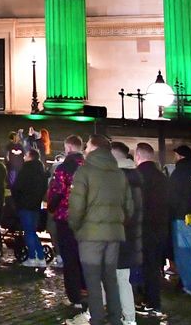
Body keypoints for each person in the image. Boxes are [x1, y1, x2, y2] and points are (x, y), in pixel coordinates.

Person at [66, 133, 131, 325]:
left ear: (94, 148)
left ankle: (97, 319)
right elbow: (129, 208)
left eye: (87, 146)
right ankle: (115, 319)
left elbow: (76, 207)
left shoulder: (84, 172)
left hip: (90, 235)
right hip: (114, 235)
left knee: (93, 281)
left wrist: (77, 228)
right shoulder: (119, 173)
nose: (85, 150)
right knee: (110, 278)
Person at [47, 134, 87, 309]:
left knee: (70, 258)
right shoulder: (89, 166)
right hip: (87, 218)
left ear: (69, 147)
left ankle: (74, 295)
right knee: (85, 256)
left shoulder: (64, 168)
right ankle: (87, 289)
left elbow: (56, 192)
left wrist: (51, 207)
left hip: (66, 217)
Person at [167, 144, 191, 298]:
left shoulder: (180, 172)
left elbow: (173, 196)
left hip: (183, 218)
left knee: (184, 254)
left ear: (180, 156)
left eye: (176, 155)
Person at [110, 141, 143, 325]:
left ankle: (125, 317)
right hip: (129, 237)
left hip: (117, 238)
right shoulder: (134, 176)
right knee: (122, 279)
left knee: (118, 279)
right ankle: (129, 317)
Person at [134, 143, 169, 316]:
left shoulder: (138, 176)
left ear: (137, 156)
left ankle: (149, 301)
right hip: (160, 229)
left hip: (142, 229)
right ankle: (153, 301)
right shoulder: (162, 177)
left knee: (144, 268)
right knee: (154, 267)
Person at [12, 147, 48, 267]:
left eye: (26, 155)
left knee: (29, 232)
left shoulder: (25, 170)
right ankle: (41, 257)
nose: (23, 157)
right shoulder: (41, 171)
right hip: (36, 205)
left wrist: (17, 201)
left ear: (30, 156)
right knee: (32, 231)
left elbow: (17, 187)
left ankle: (32, 257)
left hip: (25, 205)